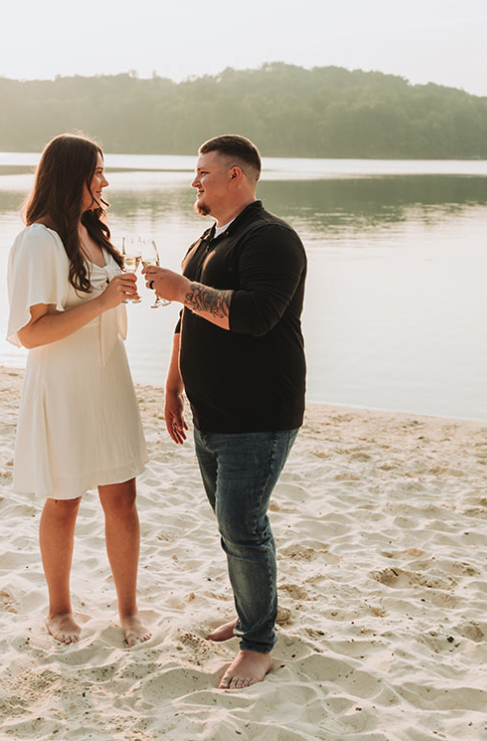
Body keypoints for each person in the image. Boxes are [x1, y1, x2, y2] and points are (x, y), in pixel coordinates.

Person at [144, 134, 308, 690]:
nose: (195, 181)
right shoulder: (206, 241)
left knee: (243, 525)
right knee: (230, 526)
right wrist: (172, 387)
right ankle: (249, 612)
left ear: (236, 176)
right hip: (212, 414)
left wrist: (183, 288)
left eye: (203, 173)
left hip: (259, 414)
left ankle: (259, 643)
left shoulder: (272, 240)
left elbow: (256, 316)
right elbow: (186, 323)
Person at [6, 133, 152, 647]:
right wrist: (103, 302)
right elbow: (30, 332)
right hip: (65, 385)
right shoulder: (39, 241)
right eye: (96, 174)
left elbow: (105, 298)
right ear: (72, 177)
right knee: (64, 498)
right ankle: (59, 609)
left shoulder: (91, 229)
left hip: (108, 377)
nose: (104, 182)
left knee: (123, 495)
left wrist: (125, 291)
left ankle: (128, 611)